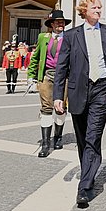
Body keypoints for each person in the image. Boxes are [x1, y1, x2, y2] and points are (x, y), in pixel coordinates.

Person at [53, 0, 106, 208]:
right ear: (84, 10)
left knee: (93, 136)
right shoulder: (71, 35)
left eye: (100, 7)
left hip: (102, 88)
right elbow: (62, 67)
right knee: (82, 138)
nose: (98, 10)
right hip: (79, 89)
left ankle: (85, 188)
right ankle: (89, 171)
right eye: (94, 7)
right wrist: (58, 95)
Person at [28, 9, 72, 158]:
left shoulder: (69, 38)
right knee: (46, 108)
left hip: (64, 77)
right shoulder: (43, 37)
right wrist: (31, 77)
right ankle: (46, 144)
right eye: (58, 22)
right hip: (46, 75)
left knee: (60, 108)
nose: (61, 24)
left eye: (63, 22)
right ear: (52, 24)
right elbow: (35, 58)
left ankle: (58, 136)